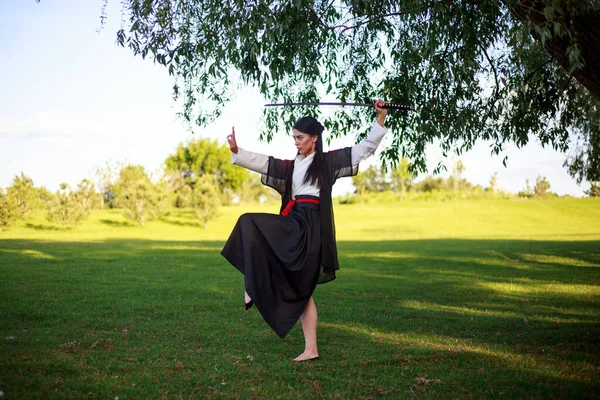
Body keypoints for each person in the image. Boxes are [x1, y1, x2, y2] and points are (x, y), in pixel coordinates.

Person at [221, 99, 388, 361]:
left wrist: (380, 119)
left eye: (300, 137)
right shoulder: (293, 165)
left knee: (302, 289)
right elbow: (265, 163)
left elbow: (364, 150)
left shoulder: (329, 162)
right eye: (294, 137)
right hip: (294, 222)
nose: (296, 142)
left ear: (314, 138)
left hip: (311, 229)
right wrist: (237, 150)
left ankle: (307, 345)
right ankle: (307, 345)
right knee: (249, 222)